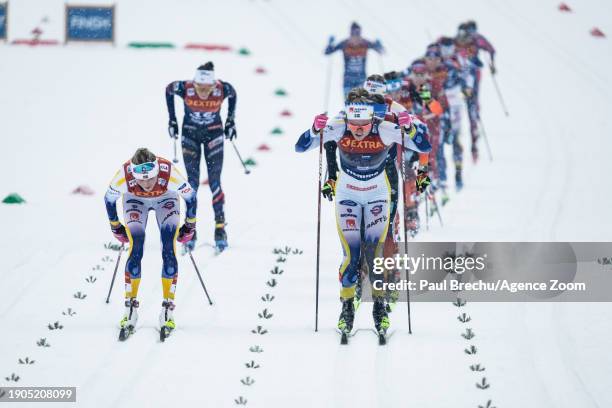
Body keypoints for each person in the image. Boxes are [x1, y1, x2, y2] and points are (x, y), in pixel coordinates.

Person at [295, 90, 431, 338]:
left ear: (373, 119)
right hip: (348, 196)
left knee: (375, 256)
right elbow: (300, 146)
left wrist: (409, 127)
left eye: (364, 124)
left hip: (377, 195)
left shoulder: (386, 128)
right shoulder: (339, 126)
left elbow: (424, 145)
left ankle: (379, 309)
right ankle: (347, 308)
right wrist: (315, 129)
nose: (358, 130)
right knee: (351, 257)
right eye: (354, 124)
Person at [104, 148, 197, 340]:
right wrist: (115, 226)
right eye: (141, 179)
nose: (146, 184)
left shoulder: (169, 173)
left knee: (168, 247)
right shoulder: (123, 176)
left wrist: (189, 226)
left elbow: (191, 197)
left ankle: (168, 308)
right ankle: (130, 308)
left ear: (157, 172)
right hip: (134, 200)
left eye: (151, 178)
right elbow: (108, 199)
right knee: (136, 246)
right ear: (134, 175)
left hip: (166, 199)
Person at [165, 61, 237, 252]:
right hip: (190, 136)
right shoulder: (185, 87)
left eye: (208, 88)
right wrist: (172, 119)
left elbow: (233, 93)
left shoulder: (222, 88)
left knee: (215, 183)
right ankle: (190, 230)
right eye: (200, 87)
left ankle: (220, 230)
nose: (204, 91)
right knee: (192, 184)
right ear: (194, 83)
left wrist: (231, 120)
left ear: (214, 85)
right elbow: (168, 90)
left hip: (214, 135)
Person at [455, 21, 496, 163]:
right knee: (455, 112)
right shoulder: (455, 44)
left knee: (472, 110)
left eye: (465, 35)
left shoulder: (476, 40)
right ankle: (456, 144)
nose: (462, 39)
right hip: (457, 82)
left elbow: (491, 49)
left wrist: (492, 64)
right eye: (460, 35)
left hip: (472, 81)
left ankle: (474, 146)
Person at [438, 36, 468, 191]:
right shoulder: (434, 60)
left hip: (454, 101)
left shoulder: (458, 60)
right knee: (435, 141)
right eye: (444, 49)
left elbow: (466, 77)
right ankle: (436, 181)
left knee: (455, 137)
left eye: (449, 49)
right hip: (438, 103)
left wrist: (467, 90)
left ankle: (458, 173)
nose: (446, 52)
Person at [325, 22, 384, 97]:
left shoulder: (365, 43)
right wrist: (330, 44)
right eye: (354, 34)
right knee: (349, 104)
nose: (356, 37)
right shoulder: (345, 44)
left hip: (361, 79)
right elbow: (328, 52)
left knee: (362, 104)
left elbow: (381, 51)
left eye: (358, 34)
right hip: (348, 80)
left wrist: (378, 45)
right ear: (350, 34)